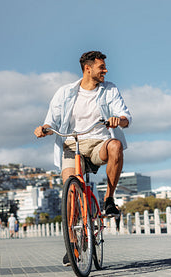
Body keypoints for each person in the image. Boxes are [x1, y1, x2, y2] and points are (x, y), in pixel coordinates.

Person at [34, 50, 132, 266]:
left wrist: (119, 120)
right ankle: (73, 248)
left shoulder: (110, 89)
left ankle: (108, 200)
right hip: (72, 144)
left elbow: (125, 116)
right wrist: (44, 129)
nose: (105, 70)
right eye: (101, 67)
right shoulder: (65, 92)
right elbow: (52, 120)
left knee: (115, 145)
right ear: (88, 69)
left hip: (99, 143)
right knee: (70, 193)